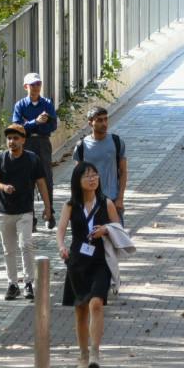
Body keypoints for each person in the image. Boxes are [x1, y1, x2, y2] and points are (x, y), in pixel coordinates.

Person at [57, 162, 120, 368]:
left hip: (100, 262)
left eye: (95, 175)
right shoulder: (70, 205)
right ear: (78, 181)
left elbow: (119, 230)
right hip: (77, 263)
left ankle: (95, 352)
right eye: (87, 176)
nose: (92, 179)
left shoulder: (106, 203)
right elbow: (61, 230)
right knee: (80, 310)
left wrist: (106, 230)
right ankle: (83, 354)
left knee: (96, 304)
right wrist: (62, 246)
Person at [0, 125, 49, 301]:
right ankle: (12, 284)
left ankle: (29, 283)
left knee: (26, 245)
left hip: (25, 210)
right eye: (9, 138)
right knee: (9, 250)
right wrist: (3, 187)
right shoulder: (0, 159)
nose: (12, 142)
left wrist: (47, 206)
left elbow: (41, 183)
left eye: (15, 138)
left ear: (23, 140)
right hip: (4, 211)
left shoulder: (32, 159)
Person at [71, 108, 127, 297]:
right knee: (91, 239)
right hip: (89, 200)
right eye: (99, 120)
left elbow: (123, 171)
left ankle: (112, 277)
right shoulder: (81, 146)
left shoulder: (116, 142)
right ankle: (95, 277)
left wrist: (120, 198)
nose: (104, 123)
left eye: (106, 119)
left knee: (112, 240)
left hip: (110, 199)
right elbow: (77, 176)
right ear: (90, 123)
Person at [11, 73, 59, 225]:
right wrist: (36, 122)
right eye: (33, 85)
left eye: (38, 84)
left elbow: (53, 126)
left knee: (46, 177)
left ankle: (49, 212)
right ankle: (29, 216)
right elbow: (17, 128)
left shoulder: (47, 103)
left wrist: (31, 125)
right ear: (26, 87)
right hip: (27, 144)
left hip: (43, 142)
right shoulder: (20, 105)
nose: (36, 88)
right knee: (26, 179)